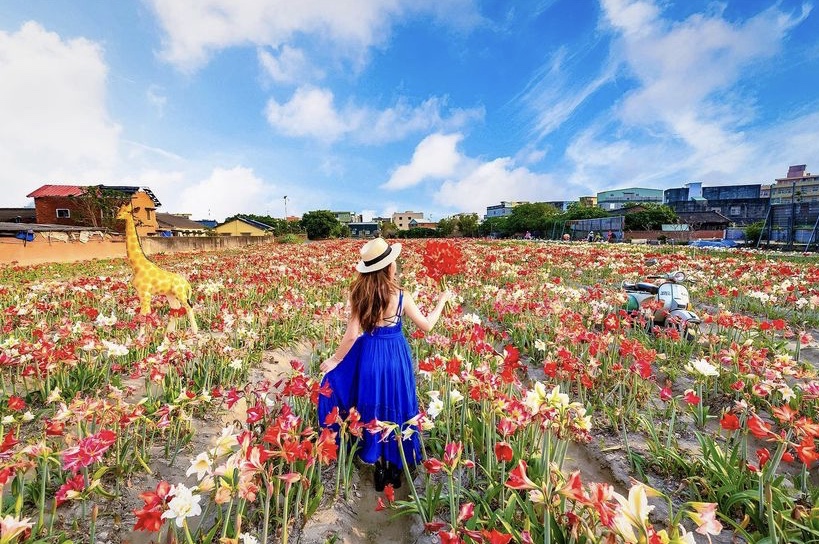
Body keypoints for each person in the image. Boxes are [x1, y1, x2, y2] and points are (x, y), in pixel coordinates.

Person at [318, 238, 452, 491]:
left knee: (374, 408)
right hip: (396, 357)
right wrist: (442, 301)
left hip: (371, 357)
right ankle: (395, 466)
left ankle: (379, 465)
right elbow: (427, 326)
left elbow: (351, 335)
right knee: (399, 405)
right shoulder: (402, 296)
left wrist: (336, 360)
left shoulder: (359, 295)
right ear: (389, 267)